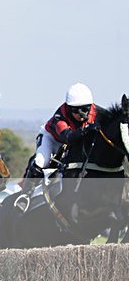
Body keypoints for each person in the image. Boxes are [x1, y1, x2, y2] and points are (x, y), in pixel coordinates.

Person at [14, 82, 99, 212]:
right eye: (76, 110)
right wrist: (86, 129)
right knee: (41, 161)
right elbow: (68, 138)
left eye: (86, 109)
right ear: (69, 108)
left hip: (76, 139)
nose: (82, 114)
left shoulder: (97, 112)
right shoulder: (60, 116)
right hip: (53, 138)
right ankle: (25, 196)